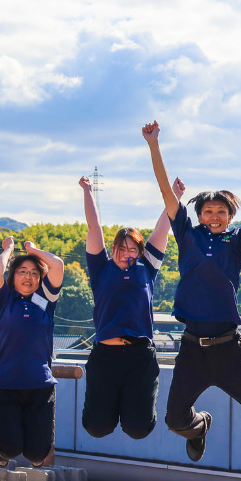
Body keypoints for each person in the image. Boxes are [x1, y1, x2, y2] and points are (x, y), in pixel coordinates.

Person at [141, 121, 241, 462]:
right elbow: (165, 192)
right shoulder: (188, 235)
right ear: (199, 215)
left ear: (229, 216)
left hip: (229, 347)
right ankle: (200, 427)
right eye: (207, 211)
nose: (214, 216)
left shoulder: (235, 241)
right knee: (174, 420)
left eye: (221, 212)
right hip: (191, 348)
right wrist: (154, 145)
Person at [79, 175, 175, 441]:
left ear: (140, 251)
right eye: (121, 249)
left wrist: (173, 194)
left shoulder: (148, 268)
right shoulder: (101, 269)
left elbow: (162, 229)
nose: (126, 253)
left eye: (132, 249)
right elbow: (93, 226)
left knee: (139, 429)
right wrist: (87, 191)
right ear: (112, 250)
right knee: (96, 427)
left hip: (139, 357)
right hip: (105, 357)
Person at [0, 236, 65, 470]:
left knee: (37, 453)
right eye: (22, 271)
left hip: (39, 385)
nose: (28, 277)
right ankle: (1, 453)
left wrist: (33, 250)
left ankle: (34, 455)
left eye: (34, 272)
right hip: (4, 384)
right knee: (9, 447)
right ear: (13, 276)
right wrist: (9, 249)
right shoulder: (3, 299)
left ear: (40, 278)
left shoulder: (45, 299)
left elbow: (58, 265)